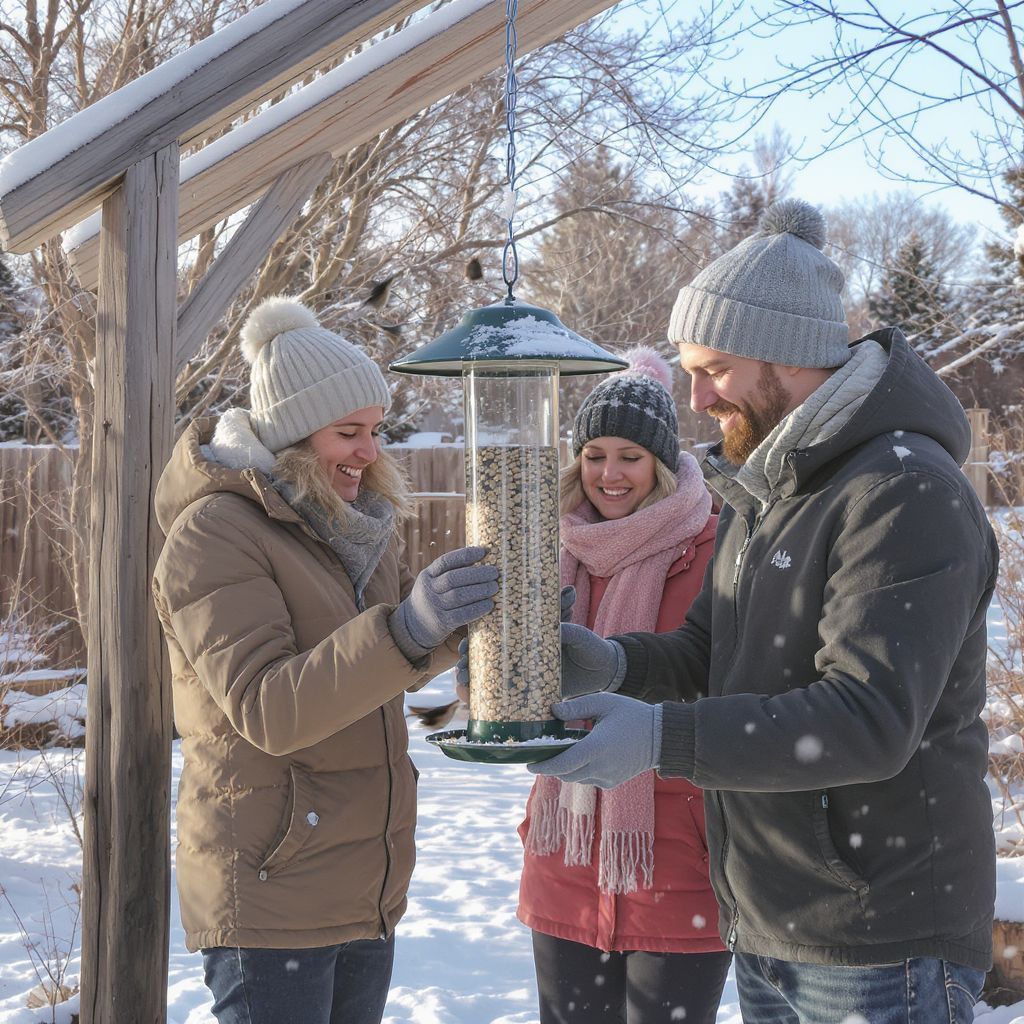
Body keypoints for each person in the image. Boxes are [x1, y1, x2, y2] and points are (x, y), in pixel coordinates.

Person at [532, 199, 999, 1024]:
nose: (696, 394)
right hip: (770, 917)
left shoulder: (900, 491)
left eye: (712, 367)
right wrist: (614, 664)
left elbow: (868, 717)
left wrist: (660, 741)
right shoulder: (769, 491)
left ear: (784, 356)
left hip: (878, 935)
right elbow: (710, 654)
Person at [151, 296, 498, 1024]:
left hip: (358, 880)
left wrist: (475, 624)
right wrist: (407, 629)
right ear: (291, 436)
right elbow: (267, 710)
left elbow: (390, 648)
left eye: (375, 431)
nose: (370, 452)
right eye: (349, 432)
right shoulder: (215, 534)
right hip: (273, 885)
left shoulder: (349, 530)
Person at [458, 350, 730, 1024]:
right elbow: (510, 684)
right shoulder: (546, 549)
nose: (609, 473)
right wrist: (483, 669)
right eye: (596, 453)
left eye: (630, 457)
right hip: (565, 858)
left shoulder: (717, 552)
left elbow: (726, 684)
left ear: (663, 466)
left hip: (677, 863)